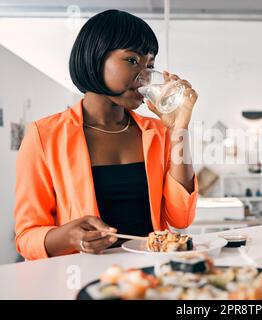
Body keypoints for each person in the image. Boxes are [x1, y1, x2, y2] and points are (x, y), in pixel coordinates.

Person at [14, 9, 199, 260]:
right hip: (81, 279)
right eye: (132, 60)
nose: (145, 75)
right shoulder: (44, 136)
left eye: (150, 65)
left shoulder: (157, 132)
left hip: (150, 275)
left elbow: (181, 218)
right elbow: (26, 237)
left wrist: (180, 130)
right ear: (96, 58)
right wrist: (68, 236)